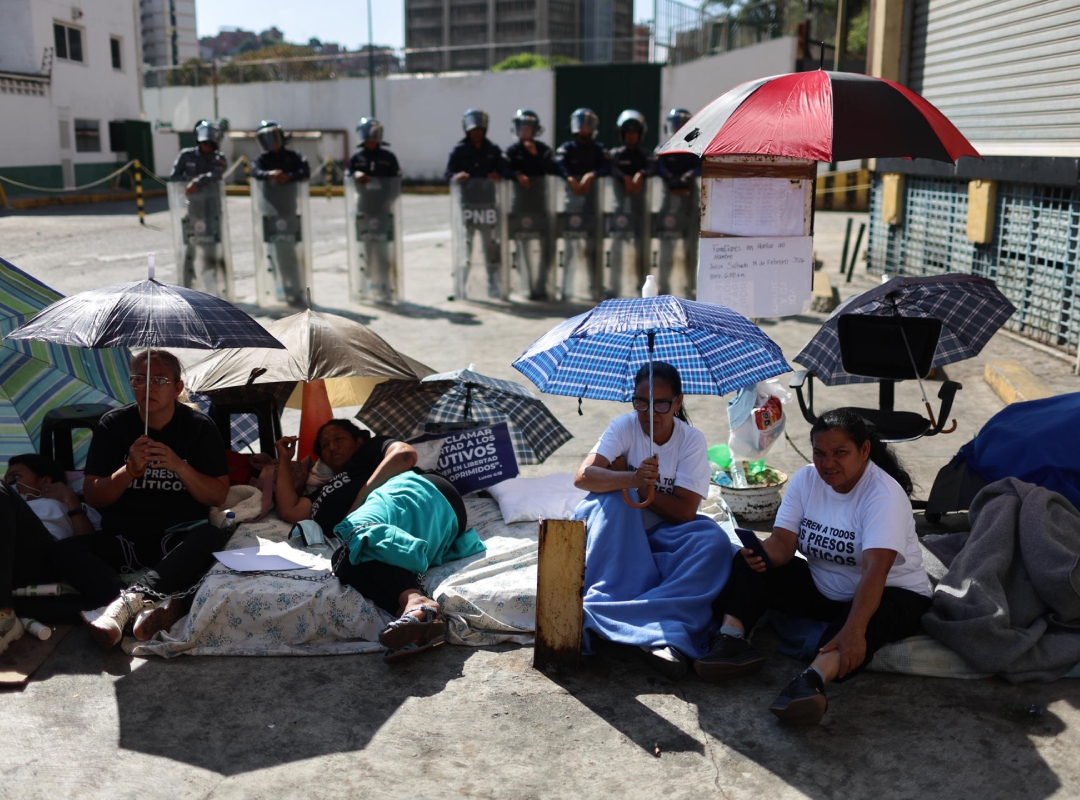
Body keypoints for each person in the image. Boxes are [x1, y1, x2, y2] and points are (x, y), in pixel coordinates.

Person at [695, 408, 932, 725]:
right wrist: (761, 554)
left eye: (839, 453)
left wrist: (854, 631)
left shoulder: (882, 495)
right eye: (820, 453)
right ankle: (731, 640)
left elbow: (876, 571)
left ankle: (811, 681)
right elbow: (782, 543)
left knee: (864, 619)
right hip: (825, 588)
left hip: (889, 590)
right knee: (746, 561)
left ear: (864, 451)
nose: (828, 463)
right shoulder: (806, 480)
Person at [52, 350, 231, 649]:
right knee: (62, 552)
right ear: (131, 385)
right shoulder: (113, 425)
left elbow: (217, 494)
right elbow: (95, 496)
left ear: (177, 387)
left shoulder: (199, 426)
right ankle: (142, 603)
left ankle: (122, 605)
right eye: (140, 379)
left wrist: (179, 466)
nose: (149, 387)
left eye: (159, 380)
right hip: (124, 538)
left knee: (211, 537)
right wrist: (128, 471)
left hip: (178, 536)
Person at [571, 361, 732, 678]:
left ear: (678, 402)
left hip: (663, 534)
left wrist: (639, 485)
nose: (649, 412)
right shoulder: (623, 427)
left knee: (713, 541)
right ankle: (642, 622)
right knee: (618, 504)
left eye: (660, 403)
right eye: (641, 402)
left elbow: (685, 512)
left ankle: (632, 620)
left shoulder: (690, 440)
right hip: (616, 533)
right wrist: (630, 480)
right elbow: (584, 477)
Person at [274, 419, 483, 661]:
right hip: (439, 527)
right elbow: (289, 510)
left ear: (358, 440)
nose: (331, 447)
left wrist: (363, 495)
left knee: (357, 532)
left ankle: (417, 605)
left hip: (415, 492)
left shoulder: (370, 452)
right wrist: (283, 460)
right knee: (344, 561)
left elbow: (405, 454)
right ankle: (416, 615)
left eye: (338, 439)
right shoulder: (322, 492)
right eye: (325, 444)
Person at [0, 455, 100, 653]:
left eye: (16, 476)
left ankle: (5, 614)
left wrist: (71, 500)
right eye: (7, 477)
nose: (10, 482)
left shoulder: (65, 504)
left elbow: (89, 545)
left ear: (45, 481)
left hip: (46, 557)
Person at [445, 109, 513, 299]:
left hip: (488, 207)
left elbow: (505, 170)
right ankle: (460, 287)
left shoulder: (492, 150)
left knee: (491, 249)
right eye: (474, 130)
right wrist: (456, 177)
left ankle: (494, 287)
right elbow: (448, 173)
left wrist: (498, 175)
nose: (477, 133)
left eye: (480, 130)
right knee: (464, 249)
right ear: (467, 130)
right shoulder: (459, 150)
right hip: (467, 207)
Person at [251, 119, 311, 306]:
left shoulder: (293, 157)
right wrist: (269, 175)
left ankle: (296, 290)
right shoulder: (263, 160)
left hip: (288, 209)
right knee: (274, 252)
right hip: (270, 211)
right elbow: (255, 172)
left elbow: (305, 170)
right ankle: (279, 290)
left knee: (290, 252)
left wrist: (289, 176)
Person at [555, 108, 609, 301]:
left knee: (592, 247)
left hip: (592, 205)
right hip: (572, 205)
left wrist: (591, 175)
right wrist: (570, 179)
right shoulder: (567, 148)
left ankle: (593, 288)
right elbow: (558, 165)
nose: (584, 128)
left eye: (588, 124)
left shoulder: (597, 149)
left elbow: (606, 166)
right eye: (581, 123)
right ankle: (566, 289)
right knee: (570, 246)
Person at [169, 120, 229, 296]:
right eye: (203, 143)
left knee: (210, 250)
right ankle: (186, 289)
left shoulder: (219, 158)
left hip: (212, 211)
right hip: (192, 211)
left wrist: (197, 180)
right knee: (190, 251)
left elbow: (217, 174)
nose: (206, 147)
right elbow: (174, 177)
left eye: (209, 144)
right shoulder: (186, 156)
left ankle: (212, 291)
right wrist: (190, 179)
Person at [347, 118, 402, 302]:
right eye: (367, 139)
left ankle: (385, 285)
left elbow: (396, 184)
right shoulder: (357, 158)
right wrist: (356, 175)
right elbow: (348, 177)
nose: (371, 142)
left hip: (383, 209)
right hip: (365, 208)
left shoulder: (388, 158)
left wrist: (390, 200)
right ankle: (368, 284)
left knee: (383, 248)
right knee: (367, 248)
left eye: (374, 139)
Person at [504, 109, 557, 300]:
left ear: (535, 130)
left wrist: (534, 155)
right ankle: (526, 285)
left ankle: (541, 284)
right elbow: (503, 168)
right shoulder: (511, 151)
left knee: (546, 246)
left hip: (541, 204)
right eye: (522, 127)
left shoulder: (543, 149)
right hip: (520, 205)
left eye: (529, 127)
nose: (525, 131)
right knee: (522, 246)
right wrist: (516, 175)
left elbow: (553, 168)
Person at [606, 110, 654, 297]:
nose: (631, 136)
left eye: (634, 132)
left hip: (640, 211)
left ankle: (640, 287)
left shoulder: (646, 155)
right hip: (620, 213)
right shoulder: (615, 154)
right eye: (627, 132)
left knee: (640, 248)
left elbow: (652, 167)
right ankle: (615, 287)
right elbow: (611, 168)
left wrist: (640, 175)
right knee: (617, 247)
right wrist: (625, 177)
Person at [654, 108, 701, 297]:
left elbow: (700, 164)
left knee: (690, 243)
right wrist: (670, 178)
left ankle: (688, 287)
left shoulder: (695, 145)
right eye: (675, 123)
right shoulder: (664, 147)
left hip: (690, 199)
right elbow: (657, 164)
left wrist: (688, 177)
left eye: (682, 124)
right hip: (669, 199)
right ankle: (664, 287)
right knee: (668, 241)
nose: (678, 127)